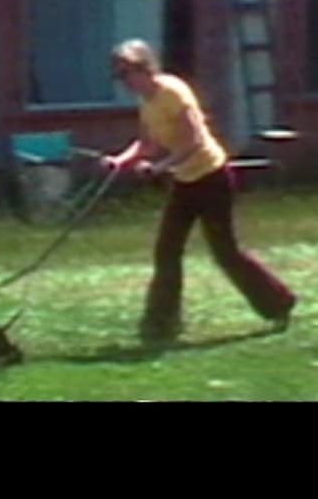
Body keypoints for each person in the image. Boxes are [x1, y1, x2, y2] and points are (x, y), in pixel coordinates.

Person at [102, 40, 297, 346]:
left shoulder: (173, 92)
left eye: (126, 74)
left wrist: (160, 167)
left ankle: (279, 303)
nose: (124, 82)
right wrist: (120, 161)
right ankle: (162, 325)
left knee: (225, 252)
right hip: (185, 180)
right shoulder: (147, 101)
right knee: (167, 251)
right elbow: (147, 144)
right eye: (119, 76)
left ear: (144, 68)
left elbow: (193, 142)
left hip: (212, 177)